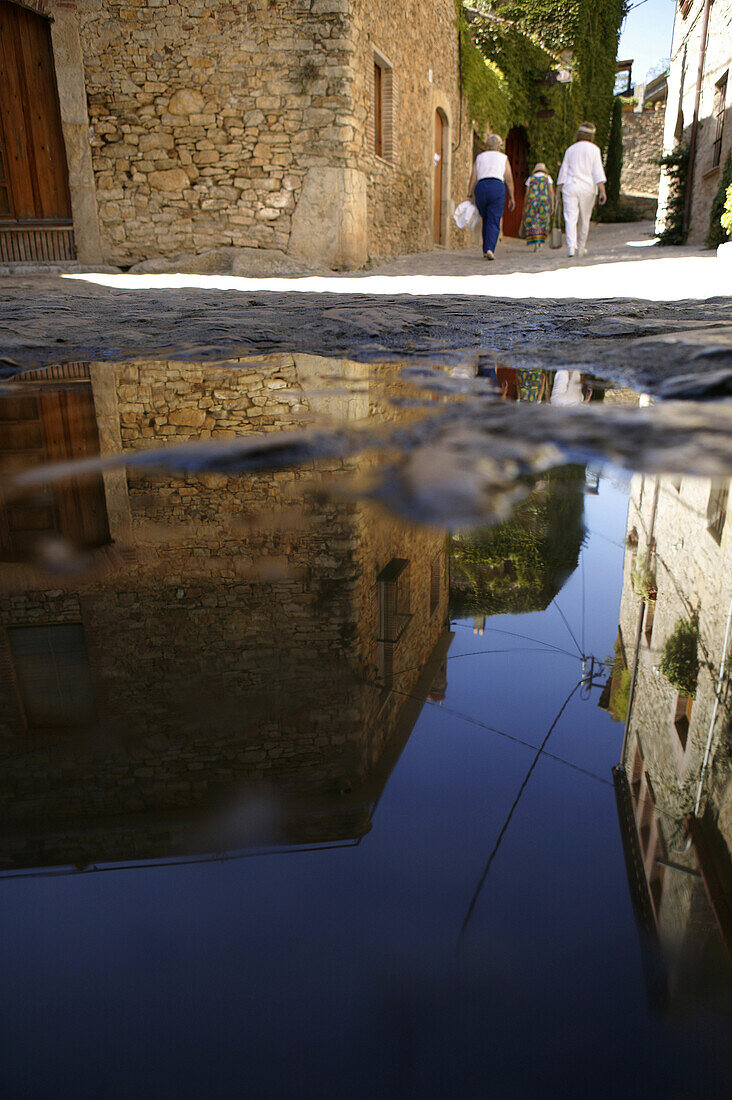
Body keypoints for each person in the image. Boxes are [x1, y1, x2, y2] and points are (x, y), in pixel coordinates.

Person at [555, 122, 607, 258]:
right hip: (587, 187)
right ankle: (581, 246)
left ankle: (571, 247)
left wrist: (557, 191)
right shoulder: (594, 150)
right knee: (584, 219)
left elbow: (563, 171)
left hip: (570, 186)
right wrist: (602, 190)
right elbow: (598, 172)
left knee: (570, 217)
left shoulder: (570, 149)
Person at [467, 134, 515, 261]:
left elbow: (473, 177)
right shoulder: (503, 158)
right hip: (497, 187)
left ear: (487, 146)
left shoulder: (480, 157)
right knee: (494, 220)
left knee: (486, 219)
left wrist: (470, 194)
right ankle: (490, 249)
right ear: (499, 146)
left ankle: (485, 249)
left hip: (482, 187)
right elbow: (509, 179)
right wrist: (512, 197)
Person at [520, 162, 554, 250]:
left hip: (532, 202)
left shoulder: (530, 179)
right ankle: (541, 241)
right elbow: (550, 192)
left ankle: (535, 241)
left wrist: (524, 206)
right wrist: (552, 204)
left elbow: (527, 193)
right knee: (543, 221)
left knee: (533, 222)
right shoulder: (547, 178)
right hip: (544, 202)